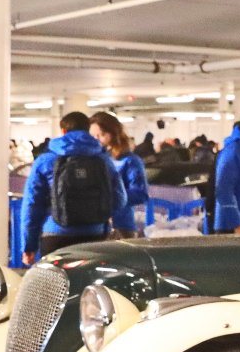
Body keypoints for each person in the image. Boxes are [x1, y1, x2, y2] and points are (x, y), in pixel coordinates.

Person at [19, 111, 126, 264]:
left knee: (55, 279)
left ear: (63, 131)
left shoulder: (45, 160)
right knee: (89, 279)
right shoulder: (104, 160)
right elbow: (120, 199)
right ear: (88, 129)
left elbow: (32, 205)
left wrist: (29, 246)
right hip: (94, 236)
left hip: (55, 234)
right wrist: (100, 217)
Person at [88, 111, 148, 238]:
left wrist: (111, 197)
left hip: (121, 226)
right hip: (94, 226)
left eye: (102, 135)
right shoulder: (90, 159)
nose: (96, 139)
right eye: (93, 136)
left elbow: (140, 194)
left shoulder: (130, 160)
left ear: (114, 134)